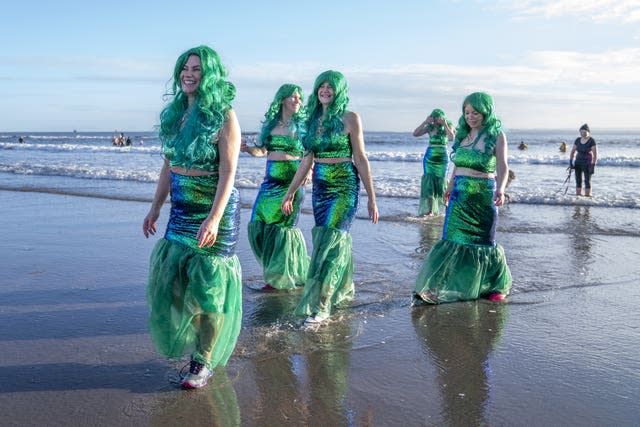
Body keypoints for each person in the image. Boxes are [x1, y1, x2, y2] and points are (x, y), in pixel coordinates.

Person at [142, 45, 242, 389]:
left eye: (197, 69)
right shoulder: (174, 114)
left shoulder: (224, 115)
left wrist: (214, 218)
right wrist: (155, 206)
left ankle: (203, 360)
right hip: (181, 208)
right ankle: (197, 342)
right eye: (185, 67)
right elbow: (168, 165)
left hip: (214, 207)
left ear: (209, 74)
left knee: (209, 290)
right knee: (172, 283)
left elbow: (229, 171)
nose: (189, 73)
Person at [281, 70, 378, 324]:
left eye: (330, 87)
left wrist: (372, 197)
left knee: (331, 241)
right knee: (325, 239)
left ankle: (321, 305)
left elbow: (360, 158)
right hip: (321, 187)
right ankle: (338, 289)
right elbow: (306, 161)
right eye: (321, 86)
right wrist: (291, 191)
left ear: (339, 91)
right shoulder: (312, 120)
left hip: (345, 184)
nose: (325, 90)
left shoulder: (350, 118)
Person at [413, 92, 512, 305]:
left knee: (484, 242)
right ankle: (444, 285)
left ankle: (492, 286)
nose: (470, 116)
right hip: (459, 195)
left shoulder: (496, 135)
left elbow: (503, 166)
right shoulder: (462, 135)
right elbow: (458, 164)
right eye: (467, 112)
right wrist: (448, 188)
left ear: (486, 111)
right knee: (452, 240)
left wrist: (501, 189)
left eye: (475, 112)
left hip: (483, 194)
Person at [241, 83, 310, 291]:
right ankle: (278, 270)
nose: (297, 100)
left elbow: (311, 153)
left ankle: (278, 279)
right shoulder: (270, 125)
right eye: (293, 97)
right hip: (269, 184)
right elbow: (262, 151)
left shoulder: (304, 126)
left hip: (293, 184)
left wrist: (308, 172)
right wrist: (248, 149)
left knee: (283, 230)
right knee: (258, 222)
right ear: (282, 100)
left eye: (299, 97)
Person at [412, 109, 455, 216]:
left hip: (442, 158)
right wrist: (425, 122)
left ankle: (446, 208)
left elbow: (451, 138)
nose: (436, 120)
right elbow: (415, 134)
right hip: (429, 158)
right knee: (429, 183)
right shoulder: (429, 128)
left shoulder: (448, 126)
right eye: (434, 118)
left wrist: (445, 124)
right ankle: (430, 210)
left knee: (442, 184)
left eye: (438, 118)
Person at [569, 124, 597, 197]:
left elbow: (595, 155)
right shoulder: (578, 140)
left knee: (587, 181)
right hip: (578, 162)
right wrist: (571, 164)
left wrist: (593, 166)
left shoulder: (592, 141)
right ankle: (578, 199)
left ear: (588, 132)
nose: (583, 133)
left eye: (584, 132)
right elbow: (572, 152)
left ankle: (588, 199)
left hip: (587, 163)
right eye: (581, 132)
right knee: (578, 181)